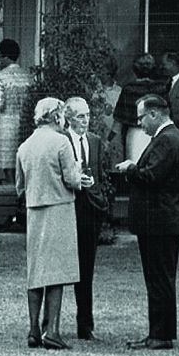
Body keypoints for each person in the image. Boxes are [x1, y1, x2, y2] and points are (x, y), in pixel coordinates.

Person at [115, 95, 179, 350]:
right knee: (159, 278)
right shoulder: (168, 138)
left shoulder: (167, 140)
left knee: (159, 279)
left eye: (141, 118)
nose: (140, 124)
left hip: (159, 222)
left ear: (154, 114)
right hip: (161, 221)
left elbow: (152, 176)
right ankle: (160, 331)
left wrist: (130, 169)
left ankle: (160, 334)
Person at [16, 98, 83, 350]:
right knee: (57, 272)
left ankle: (34, 328)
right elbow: (73, 180)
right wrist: (78, 171)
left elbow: (19, 185)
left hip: (34, 210)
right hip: (59, 209)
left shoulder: (25, 145)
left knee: (36, 272)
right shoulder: (61, 142)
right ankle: (52, 330)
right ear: (57, 116)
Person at [65, 96, 111, 341]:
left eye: (87, 116)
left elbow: (101, 174)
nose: (85, 120)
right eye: (80, 116)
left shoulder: (94, 141)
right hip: (67, 208)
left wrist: (100, 199)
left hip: (90, 210)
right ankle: (49, 323)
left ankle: (85, 324)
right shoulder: (61, 140)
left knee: (86, 270)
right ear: (69, 118)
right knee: (61, 270)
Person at [0, 38, 32, 180]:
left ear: (5, 57)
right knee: (22, 160)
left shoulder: (0, 76)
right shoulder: (27, 76)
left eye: (0, 56)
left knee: (8, 163)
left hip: (6, 124)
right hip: (24, 123)